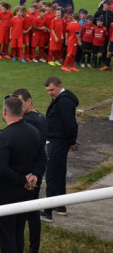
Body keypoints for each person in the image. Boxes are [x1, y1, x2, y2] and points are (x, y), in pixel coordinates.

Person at [0, 95, 47, 253]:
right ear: (22, 111)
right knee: (17, 232)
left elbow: (0, 168)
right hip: (26, 192)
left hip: (7, 192)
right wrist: (34, 175)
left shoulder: (5, 136)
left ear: (4, 111)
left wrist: (22, 180)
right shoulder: (34, 132)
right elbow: (42, 158)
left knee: (6, 235)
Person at [41, 76, 80, 223]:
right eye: (47, 91)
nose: (50, 93)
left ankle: (47, 212)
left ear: (59, 86)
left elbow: (69, 123)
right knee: (59, 173)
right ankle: (60, 206)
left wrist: (72, 141)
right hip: (59, 140)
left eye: (52, 89)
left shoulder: (63, 101)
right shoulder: (62, 99)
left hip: (58, 142)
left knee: (52, 175)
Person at [14, 88, 47, 253]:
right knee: (32, 211)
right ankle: (33, 247)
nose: (18, 107)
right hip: (36, 170)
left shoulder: (29, 120)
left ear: (29, 101)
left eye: (20, 103)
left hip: (29, 174)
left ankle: (31, 247)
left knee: (29, 213)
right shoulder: (39, 116)